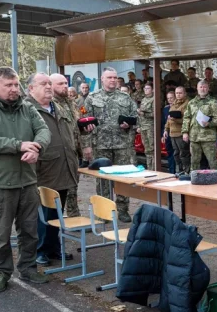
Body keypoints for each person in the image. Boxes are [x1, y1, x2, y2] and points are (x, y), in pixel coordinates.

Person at [0, 66, 51, 292]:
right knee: (0, 234)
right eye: (8, 85)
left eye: (16, 84)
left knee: (29, 231)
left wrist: (37, 148)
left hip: (27, 182)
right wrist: (18, 145)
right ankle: (0, 273)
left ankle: (28, 268)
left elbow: (44, 131)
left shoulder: (27, 108)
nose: (14, 89)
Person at [26, 73, 78, 266]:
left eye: (50, 83)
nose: (48, 87)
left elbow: (70, 132)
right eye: (43, 84)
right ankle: (40, 250)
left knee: (57, 212)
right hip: (43, 170)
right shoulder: (26, 109)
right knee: (43, 214)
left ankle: (53, 248)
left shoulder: (58, 106)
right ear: (31, 88)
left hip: (64, 166)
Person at [82, 67, 138, 223]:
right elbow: (84, 121)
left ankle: (123, 210)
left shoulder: (125, 97)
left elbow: (135, 116)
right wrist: (86, 145)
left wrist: (129, 124)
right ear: (102, 79)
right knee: (103, 180)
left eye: (115, 77)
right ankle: (104, 211)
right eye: (109, 77)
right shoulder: (92, 98)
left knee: (122, 178)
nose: (113, 80)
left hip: (122, 144)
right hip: (100, 144)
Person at [51, 73, 82, 218]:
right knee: (60, 187)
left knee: (73, 185)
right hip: (59, 153)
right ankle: (56, 217)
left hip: (73, 150)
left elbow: (75, 127)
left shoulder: (70, 103)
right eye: (60, 84)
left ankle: (73, 214)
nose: (65, 86)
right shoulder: (50, 104)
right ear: (50, 85)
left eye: (65, 83)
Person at [182, 79, 217, 170]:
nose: (203, 89)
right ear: (197, 88)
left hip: (208, 137)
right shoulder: (191, 102)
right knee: (194, 162)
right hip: (194, 137)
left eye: (205, 87)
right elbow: (186, 118)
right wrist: (185, 132)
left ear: (208, 89)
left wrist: (209, 123)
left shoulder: (213, 102)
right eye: (201, 87)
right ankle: (194, 178)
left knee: (212, 162)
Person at [164, 84, 191, 174]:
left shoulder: (187, 104)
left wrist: (175, 120)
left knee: (184, 153)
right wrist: (166, 129)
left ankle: (186, 171)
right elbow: (169, 119)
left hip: (181, 133)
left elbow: (188, 120)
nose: (178, 95)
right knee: (176, 154)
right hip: (172, 133)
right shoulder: (174, 103)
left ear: (185, 93)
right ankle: (180, 170)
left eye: (180, 93)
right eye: (177, 93)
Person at [138, 82, 155, 170]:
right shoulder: (144, 99)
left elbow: (155, 114)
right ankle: (149, 168)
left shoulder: (154, 99)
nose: (146, 90)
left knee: (152, 148)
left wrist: (144, 114)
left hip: (150, 126)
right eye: (145, 89)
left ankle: (154, 168)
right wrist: (139, 126)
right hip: (143, 126)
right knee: (147, 149)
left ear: (152, 90)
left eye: (148, 88)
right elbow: (140, 115)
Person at [161, 89, 176, 174]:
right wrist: (162, 135)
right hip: (167, 134)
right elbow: (163, 122)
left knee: (178, 154)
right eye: (168, 98)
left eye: (171, 98)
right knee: (170, 153)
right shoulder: (165, 109)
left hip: (176, 133)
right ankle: (171, 172)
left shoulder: (179, 107)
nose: (170, 100)